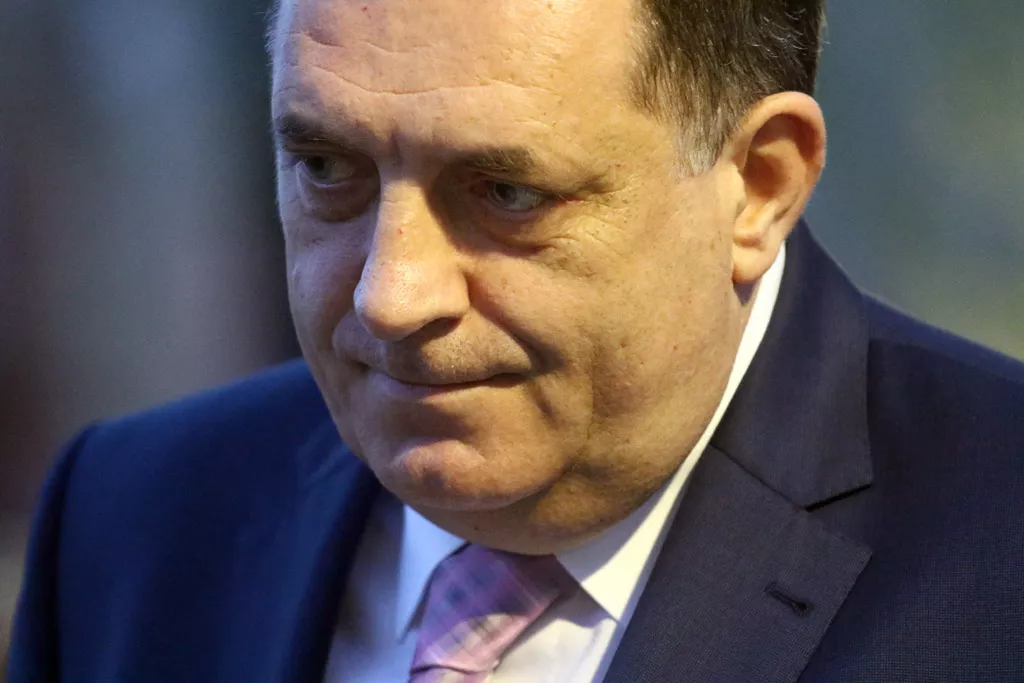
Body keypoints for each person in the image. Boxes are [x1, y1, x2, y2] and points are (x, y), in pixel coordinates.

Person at [8, 0, 1024, 680]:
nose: (391, 295)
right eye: (326, 169)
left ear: (759, 185)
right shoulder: (129, 520)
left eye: (506, 192)